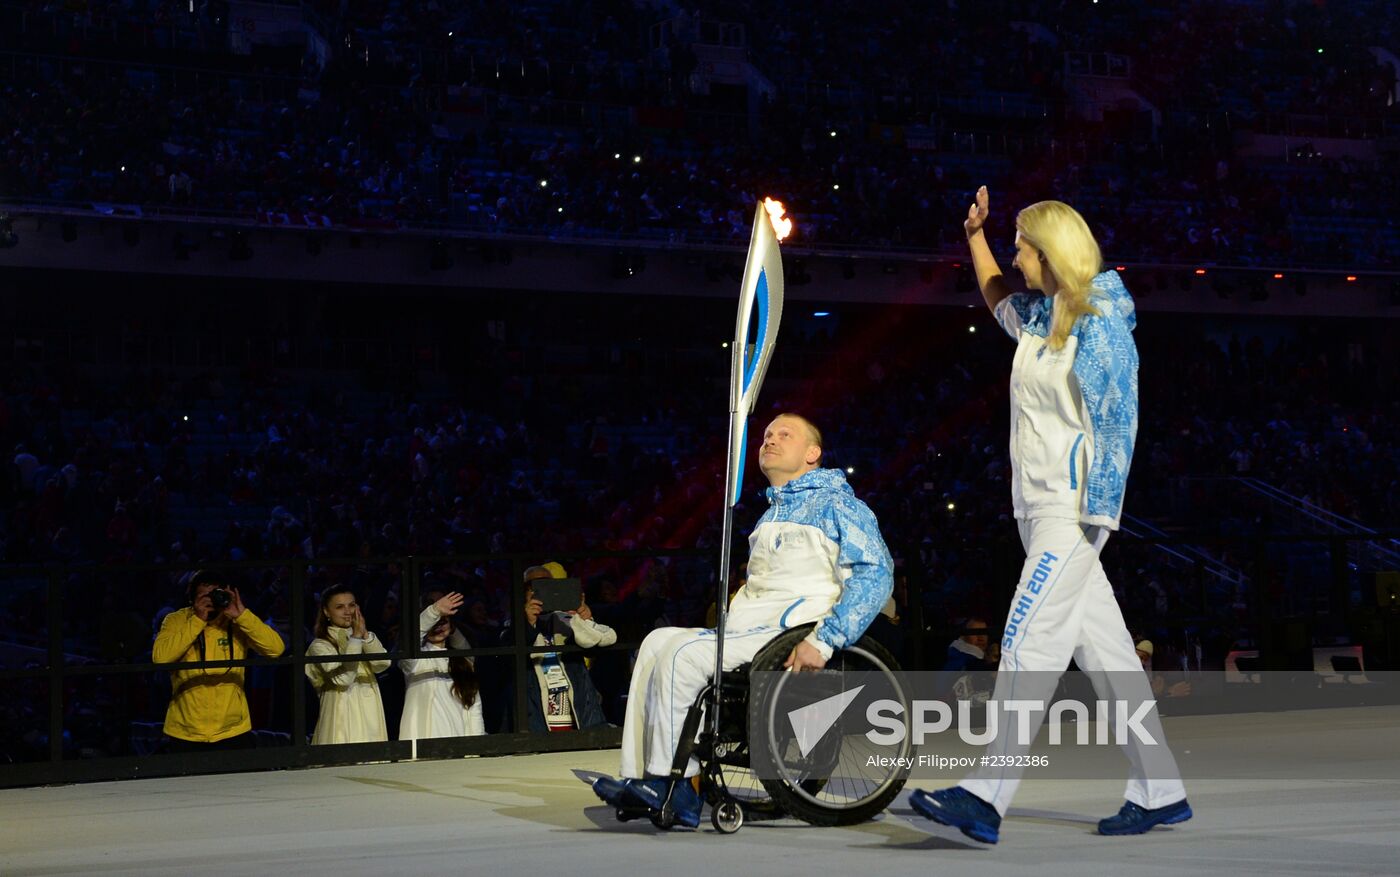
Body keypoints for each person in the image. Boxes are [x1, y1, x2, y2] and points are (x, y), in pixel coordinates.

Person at [910, 188, 1190, 843]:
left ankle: (985, 794)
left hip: (1072, 513)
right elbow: (995, 294)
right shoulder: (1044, 319)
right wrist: (974, 235)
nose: (1014, 256)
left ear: (1050, 251)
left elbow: (1119, 423)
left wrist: (1097, 516)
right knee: (1111, 660)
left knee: (1027, 640)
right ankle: (1161, 790)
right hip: (1038, 514)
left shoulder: (1100, 324)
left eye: (1020, 246)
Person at [591, 413, 893, 827]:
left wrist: (825, 640)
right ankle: (643, 776)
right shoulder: (769, 514)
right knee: (657, 641)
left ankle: (674, 787)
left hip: (793, 633)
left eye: (784, 435)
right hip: (751, 628)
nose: (770, 440)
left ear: (812, 453)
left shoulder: (838, 504)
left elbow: (876, 573)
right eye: (767, 435)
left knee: (685, 655)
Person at [152, 571, 285, 750]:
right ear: (191, 599)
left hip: (232, 729)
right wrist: (198, 621)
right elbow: (161, 659)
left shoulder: (237, 621)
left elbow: (276, 649)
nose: (210, 601)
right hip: (185, 730)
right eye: (203, 596)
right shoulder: (176, 620)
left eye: (215, 594)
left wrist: (242, 615)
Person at [498, 564, 614, 733]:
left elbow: (597, 649)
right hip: (537, 724)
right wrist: (527, 623)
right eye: (533, 587)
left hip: (578, 721)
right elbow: (506, 661)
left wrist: (586, 620)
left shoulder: (567, 622)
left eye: (547, 584)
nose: (541, 590)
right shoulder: (511, 626)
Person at [305, 584, 391, 744]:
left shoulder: (362, 637)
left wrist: (364, 635)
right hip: (341, 717)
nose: (348, 612)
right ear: (326, 612)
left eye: (351, 605)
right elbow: (343, 679)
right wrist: (356, 638)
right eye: (339, 607)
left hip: (370, 714)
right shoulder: (319, 645)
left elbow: (382, 664)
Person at [399, 591, 485, 740]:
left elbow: (474, 708)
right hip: (423, 745)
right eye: (434, 622)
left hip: (458, 746)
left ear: (452, 625)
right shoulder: (416, 660)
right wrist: (434, 611)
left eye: (443, 621)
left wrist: (475, 749)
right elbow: (411, 639)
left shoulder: (462, 661)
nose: (438, 626)